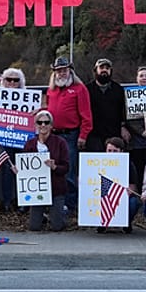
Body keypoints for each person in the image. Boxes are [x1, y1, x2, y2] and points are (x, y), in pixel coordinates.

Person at [46, 57, 92, 212]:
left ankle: (70, 205)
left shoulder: (79, 88)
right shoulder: (51, 90)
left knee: (69, 171)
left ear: (70, 71)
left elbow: (86, 115)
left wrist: (83, 135)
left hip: (71, 135)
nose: (61, 74)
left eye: (64, 70)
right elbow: (48, 109)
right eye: (58, 71)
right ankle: (55, 204)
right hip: (53, 135)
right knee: (52, 169)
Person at [23, 109, 70, 232]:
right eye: (39, 122)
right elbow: (25, 167)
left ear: (51, 125)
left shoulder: (60, 142)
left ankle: (62, 211)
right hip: (37, 190)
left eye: (46, 122)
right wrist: (19, 170)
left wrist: (55, 167)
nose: (43, 125)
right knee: (34, 227)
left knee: (57, 227)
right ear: (35, 125)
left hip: (56, 188)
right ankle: (42, 217)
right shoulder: (29, 144)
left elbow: (66, 167)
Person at [0, 67, 27, 211]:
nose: (12, 82)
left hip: (23, 138)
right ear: (3, 81)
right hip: (5, 138)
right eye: (9, 79)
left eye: (16, 80)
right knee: (7, 170)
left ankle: (24, 202)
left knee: (23, 169)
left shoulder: (28, 98)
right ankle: (7, 202)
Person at [85, 58, 125, 152]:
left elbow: (123, 110)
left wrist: (123, 127)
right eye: (101, 67)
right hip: (93, 134)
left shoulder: (118, 89)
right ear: (95, 70)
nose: (104, 70)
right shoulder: (87, 89)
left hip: (114, 133)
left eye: (107, 68)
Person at [101, 137, 138, 234]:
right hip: (102, 195)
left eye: (115, 151)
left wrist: (126, 192)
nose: (112, 154)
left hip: (122, 195)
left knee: (133, 202)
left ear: (121, 151)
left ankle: (126, 223)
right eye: (109, 151)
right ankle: (101, 224)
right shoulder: (97, 163)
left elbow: (133, 187)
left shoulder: (129, 164)